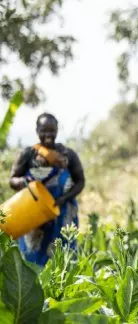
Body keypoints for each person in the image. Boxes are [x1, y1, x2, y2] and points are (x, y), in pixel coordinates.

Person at [9, 113, 86, 266]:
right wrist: (24, 182)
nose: (48, 134)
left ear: (57, 130)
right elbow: (12, 180)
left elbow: (80, 181)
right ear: (37, 130)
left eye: (52, 130)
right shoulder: (28, 154)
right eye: (44, 130)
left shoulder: (67, 155)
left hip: (62, 214)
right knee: (31, 262)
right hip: (33, 215)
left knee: (63, 261)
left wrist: (64, 199)